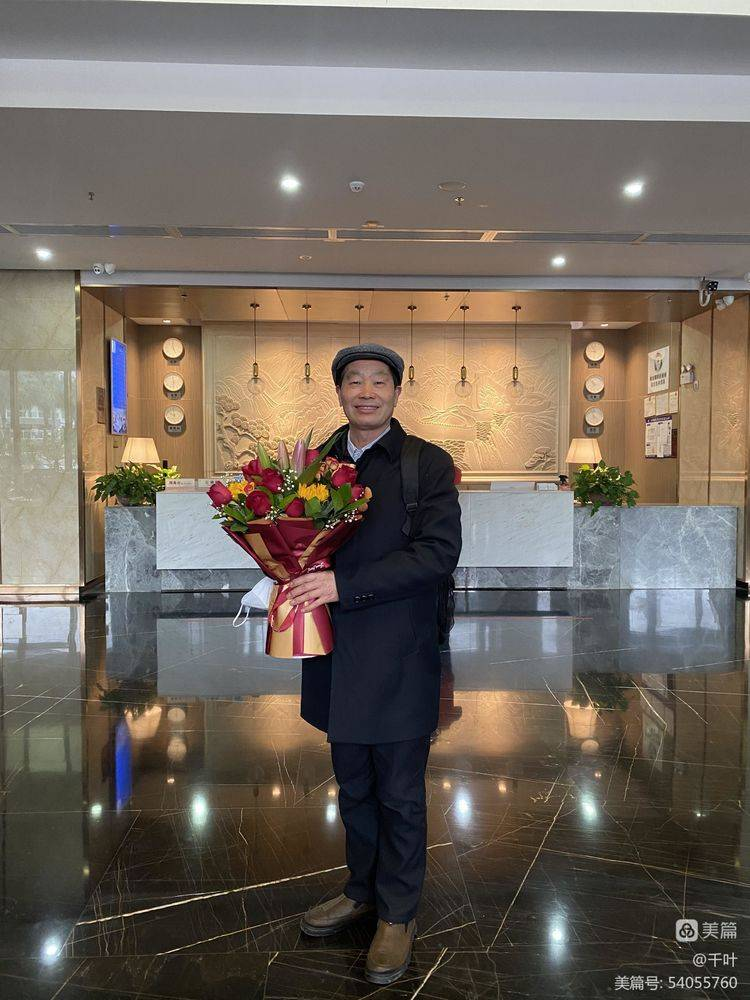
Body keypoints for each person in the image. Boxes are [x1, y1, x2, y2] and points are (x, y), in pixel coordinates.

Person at [286, 343, 462, 985]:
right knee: (353, 785)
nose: (366, 391)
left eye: (378, 381)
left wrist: (344, 585)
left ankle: (397, 914)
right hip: (334, 653)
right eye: (354, 381)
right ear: (339, 392)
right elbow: (296, 542)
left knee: (398, 791)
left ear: (396, 392)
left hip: (398, 654)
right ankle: (361, 890)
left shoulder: (424, 464)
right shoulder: (316, 464)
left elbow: (438, 554)